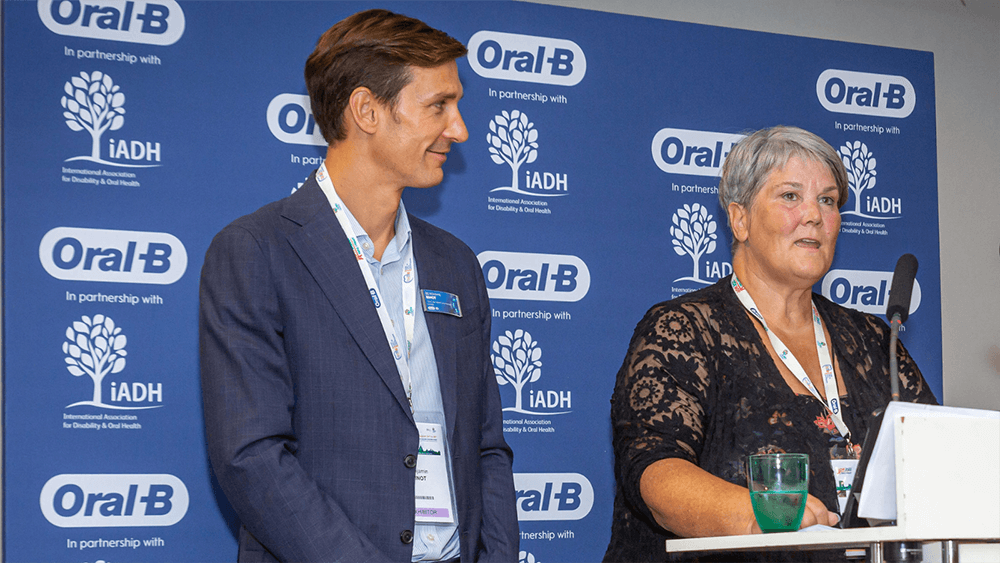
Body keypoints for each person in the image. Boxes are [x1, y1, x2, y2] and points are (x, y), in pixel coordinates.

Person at [199, 9, 518, 562]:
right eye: (438, 105)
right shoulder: (257, 251)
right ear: (367, 110)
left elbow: (486, 446)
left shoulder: (456, 264)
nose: (459, 128)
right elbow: (252, 457)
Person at [604, 126, 937, 562]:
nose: (814, 215)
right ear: (739, 219)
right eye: (790, 196)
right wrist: (760, 517)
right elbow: (655, 474)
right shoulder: (683, 330)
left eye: (828, 199)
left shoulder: (875, 341)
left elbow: (936, 464)